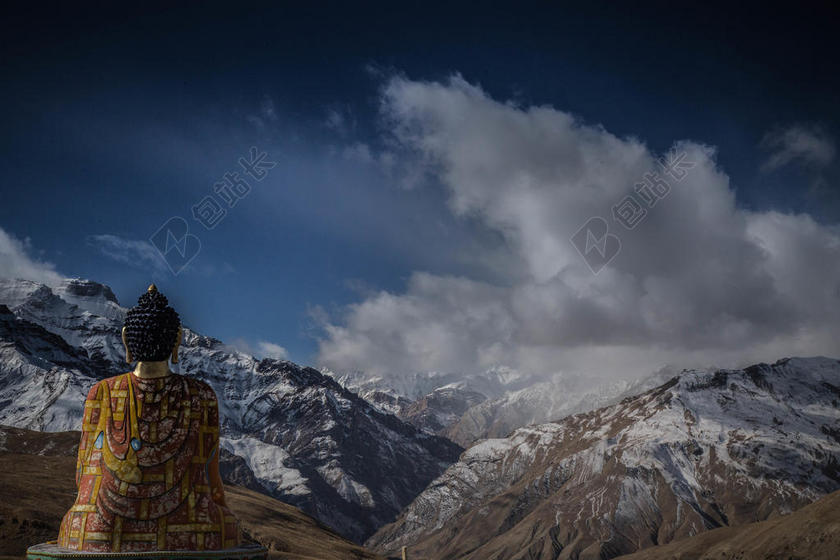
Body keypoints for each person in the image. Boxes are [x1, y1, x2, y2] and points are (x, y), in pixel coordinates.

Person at [57, 285, 241, 552]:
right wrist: (221, 506)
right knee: (226, 525)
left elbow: (82, 474)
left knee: (77, 519)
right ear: (177, 340)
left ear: (126, 340)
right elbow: (214, 484)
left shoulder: (102, 392)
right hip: (190, 526)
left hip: (100, 527)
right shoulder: (201, 395)